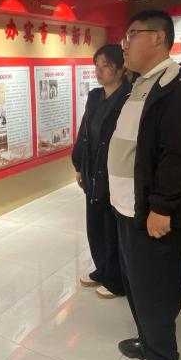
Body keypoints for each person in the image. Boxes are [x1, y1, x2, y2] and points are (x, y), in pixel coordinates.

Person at [109, 10, 181, 360]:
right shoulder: (141, 84)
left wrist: (163, 206)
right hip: (127, 207)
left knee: (156, 288)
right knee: (138, 283)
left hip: (152, 212)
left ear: (158, 37)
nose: (125, 44)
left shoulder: (179, 88)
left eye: (131, 35)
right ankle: (149, 338)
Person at [73, 44, 131, 299]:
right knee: (94, 224)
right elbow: (84, 132)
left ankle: (116, 279)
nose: (98, 71)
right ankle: (102, 269)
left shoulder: (128, 98)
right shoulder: (95, 96)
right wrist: (79, 165)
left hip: (114, 173)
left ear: (120, 69)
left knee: (112, 227)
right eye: (96, 65)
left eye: (105, 66)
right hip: (92, 170)